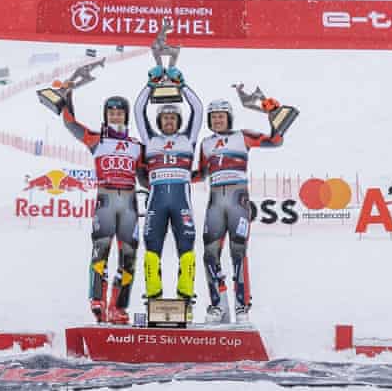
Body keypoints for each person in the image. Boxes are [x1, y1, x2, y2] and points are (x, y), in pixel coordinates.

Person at [194, 98, 289, 324]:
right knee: (209, 254)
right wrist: (167, 175)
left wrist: (273, 115)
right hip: (215, 201)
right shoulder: (206, 143)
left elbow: (275, 141)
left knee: (238, 253)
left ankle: (241, 307)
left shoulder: (242, 136)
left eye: (221, 115)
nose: (218, 119)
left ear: (229, 118)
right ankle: (219, 304)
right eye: (214, 116)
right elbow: (200, 173)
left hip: (238, 200)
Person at [58, 92, 144, 324]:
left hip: (129, 204)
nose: (115, 116)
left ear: (126, 116)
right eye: (111, 112)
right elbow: (70, 124)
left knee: (129, 257)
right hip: (105, 201)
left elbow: (146, 177)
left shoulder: (136, 146)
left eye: (119, 112)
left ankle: (119, 307)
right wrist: (67, 99)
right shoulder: (97, 140)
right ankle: (98, 302)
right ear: (106, 116)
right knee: (100, 251)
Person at [134, 65, 203, 318]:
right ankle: (153, 300)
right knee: (152, 248)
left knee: (187, 248)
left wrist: (182, 85)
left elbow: (198, 109)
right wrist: (150, 85)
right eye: (165, 118)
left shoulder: (189, 139)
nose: (169, 121)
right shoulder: (149, 139)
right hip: (156, 203)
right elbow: (138, 110)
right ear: (159, 121)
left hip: (181, 204)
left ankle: (186, 303)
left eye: (173, 118)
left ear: (179, 121)